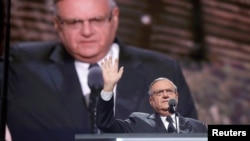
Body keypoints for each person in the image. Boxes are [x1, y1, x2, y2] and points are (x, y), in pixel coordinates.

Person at [0, 0, 197, 140]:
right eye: (74, 22)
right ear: (57, 24)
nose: (87, 31)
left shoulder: (161, 69)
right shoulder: (20, 66)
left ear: (115, 17)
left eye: (96, 20)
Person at [97, 57, 207, 133]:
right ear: (151, 101)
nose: (165, 95)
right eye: (159, 92)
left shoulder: (197, 127)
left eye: (169, 91)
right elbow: (105, 124)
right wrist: (108, 88)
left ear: (176, 97)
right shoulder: (138, 123)